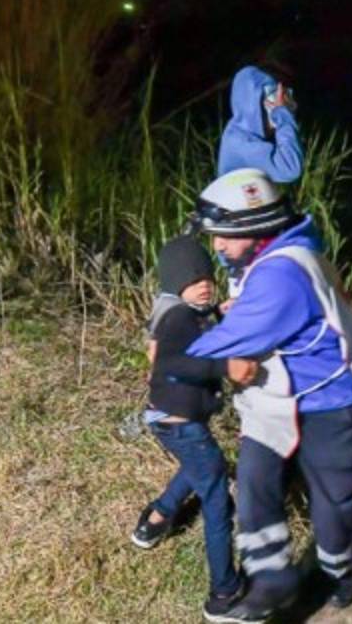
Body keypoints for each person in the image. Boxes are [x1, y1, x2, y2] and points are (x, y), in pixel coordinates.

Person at [185, 168, 352, 620]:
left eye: (224, 235)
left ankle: (340, 572)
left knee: (333, 505)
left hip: (334, 401)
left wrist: (177, 348)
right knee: (254, 479)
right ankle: (271, 580)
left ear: (256, 227)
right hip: (279, 398)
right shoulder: (273, 252)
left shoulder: (281, 274)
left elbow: (209, 352)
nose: (217, 246)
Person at [128, 235, 260, 622]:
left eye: (207, 277)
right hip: (182, 425)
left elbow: (191, 339)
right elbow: (172, 361)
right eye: (192, 279)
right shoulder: (178, 318)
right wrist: (225, 366)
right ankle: (224, 594)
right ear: (175, 282)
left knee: (199, 466)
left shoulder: (183, 311)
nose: (203, 284)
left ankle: (155, 522)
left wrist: (217, 311)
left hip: (173, 421)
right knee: (217, 500)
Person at [218, 65, 303, 184]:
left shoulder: (239, 130)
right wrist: (283, 115)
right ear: (254, 106)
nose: (276, 104)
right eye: (272, 97)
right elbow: (290, 168)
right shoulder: (242, 142)